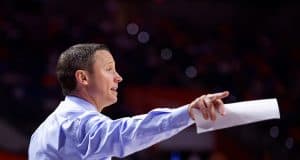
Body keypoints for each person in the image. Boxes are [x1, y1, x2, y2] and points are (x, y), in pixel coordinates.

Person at [28, 43, 229, 160]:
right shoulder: (79, 125)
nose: (118, 77)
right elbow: (126, 132)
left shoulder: (40, 133)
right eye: (109, 69)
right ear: (83, 78)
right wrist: (188, 113)